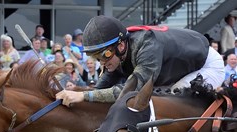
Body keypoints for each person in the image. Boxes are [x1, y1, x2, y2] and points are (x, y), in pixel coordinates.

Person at [56, 15, 225, 106]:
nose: (102, 62)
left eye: (104, 55)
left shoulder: (147, 48)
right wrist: (80, 96)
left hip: (206, 65)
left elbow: (128, 92)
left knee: (173, 100)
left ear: (121, 46)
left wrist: (82, 96)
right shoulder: (115, 53)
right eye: (96, 57)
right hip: (180, 66)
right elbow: (101, 89)